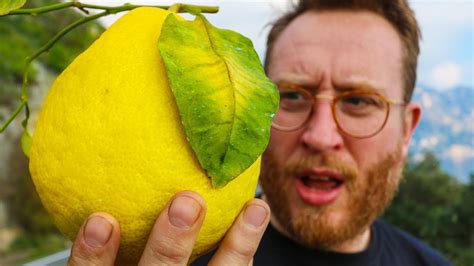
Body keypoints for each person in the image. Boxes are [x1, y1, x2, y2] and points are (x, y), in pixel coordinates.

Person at [67, 0, 452, 265]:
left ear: (407, 128)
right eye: (291, 96)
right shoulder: (163, 250)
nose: (319, 136)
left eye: (358, 102)